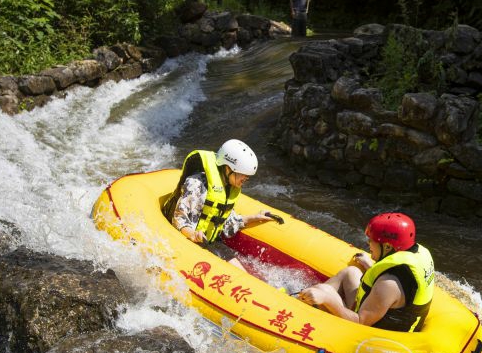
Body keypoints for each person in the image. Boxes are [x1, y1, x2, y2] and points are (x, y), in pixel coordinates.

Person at [298, 213, 435, 332]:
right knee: (351, 273)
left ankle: (298, 310)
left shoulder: (389, 284)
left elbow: (360, 323)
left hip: (372, 332)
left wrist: (328, 299)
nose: (368, 244)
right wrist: (371, 267)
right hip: (379, 310)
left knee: (324, 290)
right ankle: (305, 300)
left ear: (387, 246)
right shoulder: (414, 254)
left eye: (372, 241)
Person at [162, 139, 275, 268]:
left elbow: (225, 222)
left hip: (210, 240)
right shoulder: (197, 183)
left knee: (240, 270)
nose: (246, 178)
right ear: (228, 169)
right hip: (188, 240)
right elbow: (179, 219)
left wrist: (254, 217)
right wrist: (193, 234)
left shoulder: (228, 189)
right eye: (243, 174)